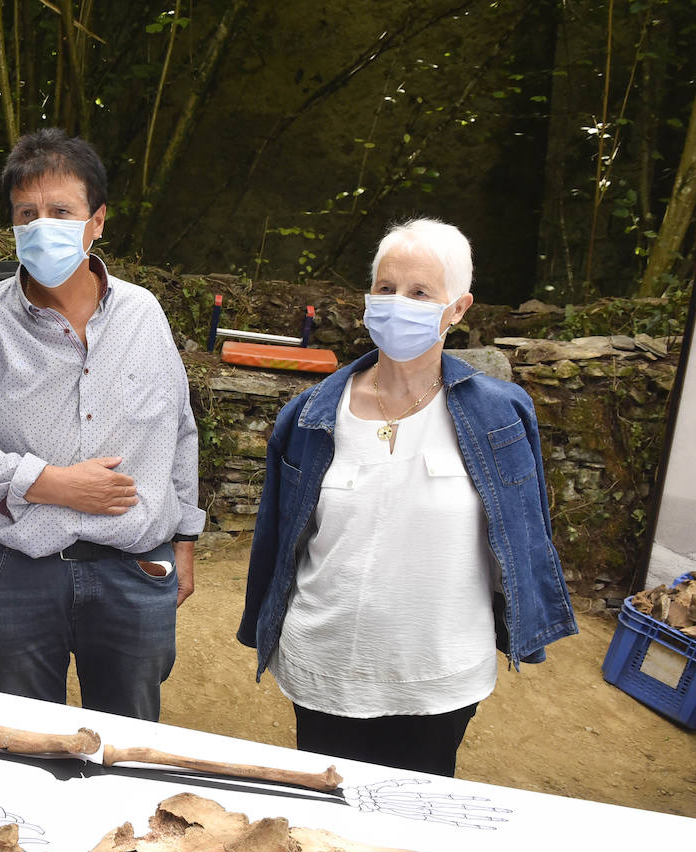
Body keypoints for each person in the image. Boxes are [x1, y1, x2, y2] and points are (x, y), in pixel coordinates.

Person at [237, 218, 577, 777]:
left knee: (415, 819)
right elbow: (276, 541)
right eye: (386, 289)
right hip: (325, 666)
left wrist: (526, 620)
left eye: (421, 293)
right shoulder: (309, 416)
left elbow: (523, 531)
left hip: (441, 676)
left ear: (458, 308)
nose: (399, 304)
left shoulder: (501, 415)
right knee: (328, 822)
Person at [0, 128, 205, 721]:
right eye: (27, 214)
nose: (41, 226)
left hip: (132, 571)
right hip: (12, 574)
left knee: (126, 744)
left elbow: (178, 432)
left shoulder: (143, 314)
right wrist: (51, 482)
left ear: (96, 220)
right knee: (22, 740)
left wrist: (185, 539)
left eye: (61, 211)